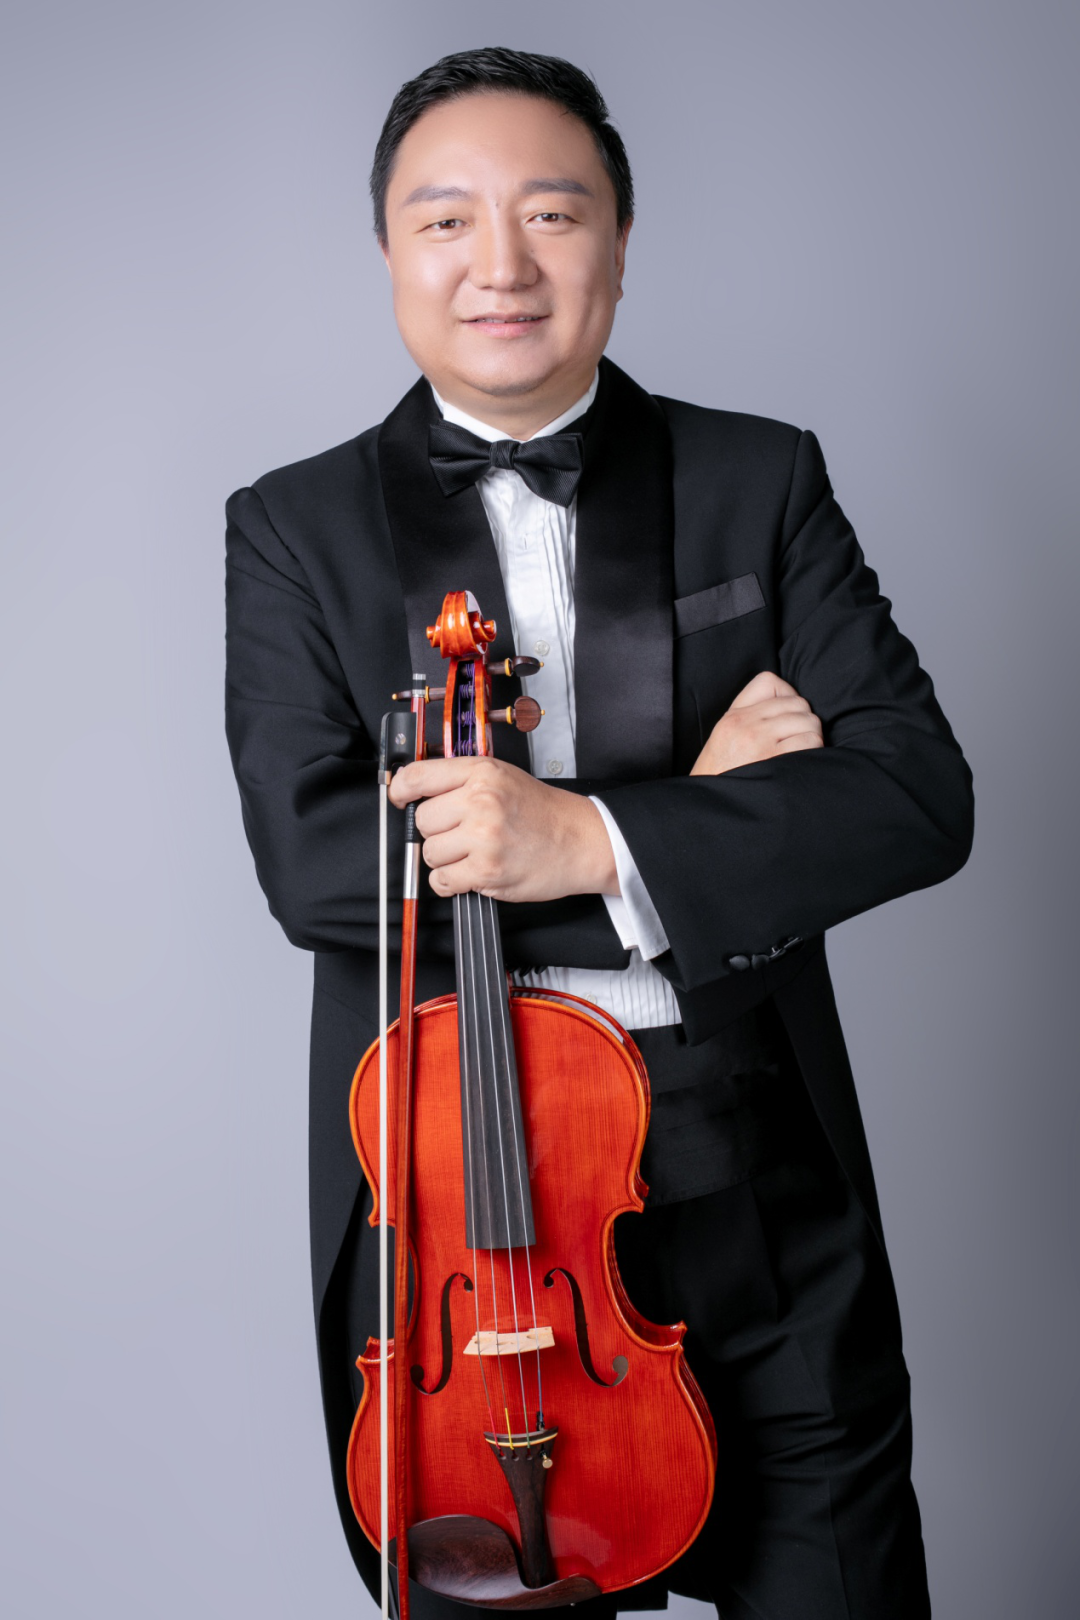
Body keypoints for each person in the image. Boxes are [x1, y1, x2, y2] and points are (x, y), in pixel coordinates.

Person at [225, 46, 973, 1620]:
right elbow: (315, 870)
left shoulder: (760, 477)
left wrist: (584, 841)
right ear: (389, 254)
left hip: (759, 1187)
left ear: (620, 243)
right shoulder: (293, 526)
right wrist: (687, 830)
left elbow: (914, 795)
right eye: (447, 220)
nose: (501, 264)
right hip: (471, 1240)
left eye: (552, 214)